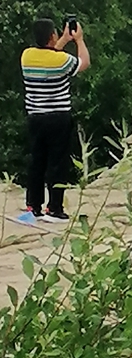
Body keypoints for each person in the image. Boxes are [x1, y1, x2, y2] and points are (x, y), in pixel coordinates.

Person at [16, 16, 90, 225]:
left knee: (37, 161)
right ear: (51, 36)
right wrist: (79, 40)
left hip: (35, 117)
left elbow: (48, 54)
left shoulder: (27, 56)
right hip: (58, 118)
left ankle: (33, 207)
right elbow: (84, 63)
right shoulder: (62, 60)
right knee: (57, 163)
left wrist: (63, 39)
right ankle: (54, 209)